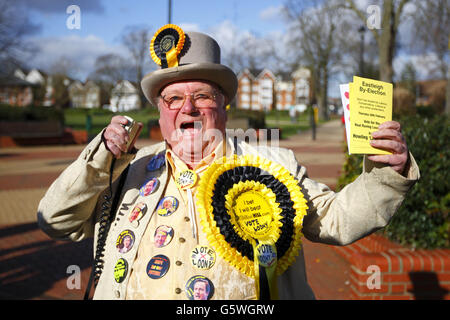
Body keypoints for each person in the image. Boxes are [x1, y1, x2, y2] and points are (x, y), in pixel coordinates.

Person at [37, 24, 419, 300]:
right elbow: (55, 221)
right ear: (160, 112)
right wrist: (99, 157)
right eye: (173, 99)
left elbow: (335, 220)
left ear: (222, 105)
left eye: (202, 95)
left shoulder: (274, 164)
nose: (188, 108)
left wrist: (387, 172)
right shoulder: (122, 171)